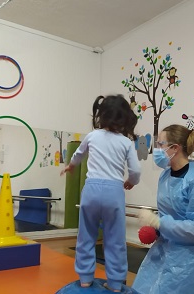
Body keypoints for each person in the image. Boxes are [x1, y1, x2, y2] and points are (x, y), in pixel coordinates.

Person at [60, 94, 141, 292]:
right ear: (125, 119)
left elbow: (78, 154)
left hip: (91, 190)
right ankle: (114, 283)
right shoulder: (125, 142)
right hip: (114, 191)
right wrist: (131, 181)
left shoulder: (92, 135)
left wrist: (71, 166)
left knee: (86, 234)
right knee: (115, 239)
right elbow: (136, 171)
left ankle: (86, 278)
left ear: (101, 116)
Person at [132, 124, 194, 294]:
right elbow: (169, 213)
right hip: (169, 244)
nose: (157, 149)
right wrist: (156, 229)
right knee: (143, 287)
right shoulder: (165, 176)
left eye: (160, 144)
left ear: (175, 148)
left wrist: (158, 222)